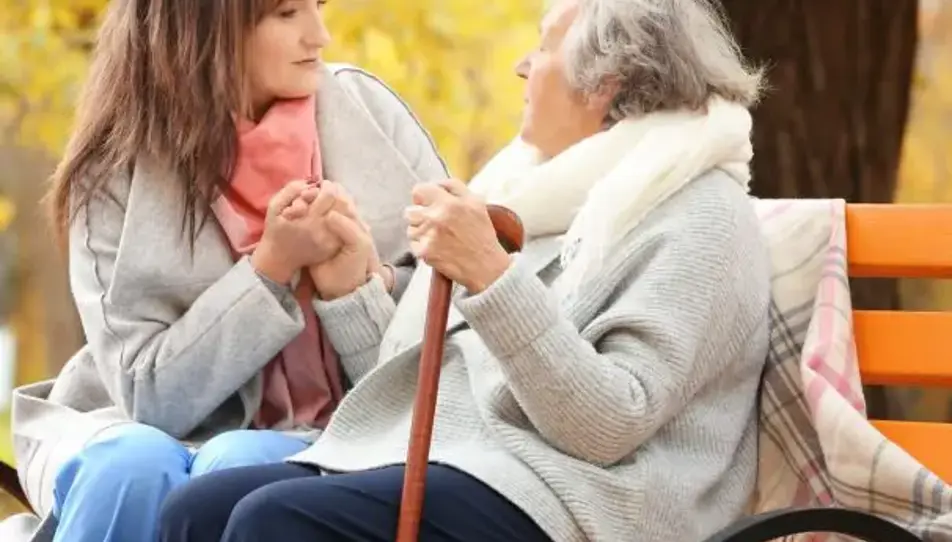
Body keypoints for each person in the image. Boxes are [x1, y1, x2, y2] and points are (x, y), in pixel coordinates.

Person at [157, 0, 770, 541]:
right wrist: (348, 287)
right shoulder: (544, 191)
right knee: (197, 511)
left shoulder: (700, 216)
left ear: (604, 83)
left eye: (542, 47)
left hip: (589, 504)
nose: (522, 66)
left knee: (275, 522)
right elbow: (430, 392)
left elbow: (610, 425)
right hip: (478, 464)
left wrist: (490, 273)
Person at [6, 0, 447, 541]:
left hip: (336, 431)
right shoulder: (112, 167)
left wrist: (360, 289)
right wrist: (271, 268)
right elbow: (149, 399)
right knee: (128, 470)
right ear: (201, 28)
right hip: (135, 426)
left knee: (238, 469)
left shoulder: (369, 114)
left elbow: (444, 336)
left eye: (318, 6)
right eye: (288, 14)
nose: (321, 35)